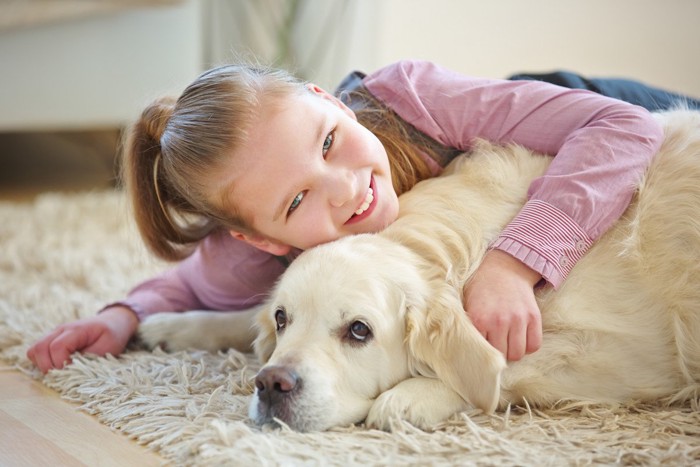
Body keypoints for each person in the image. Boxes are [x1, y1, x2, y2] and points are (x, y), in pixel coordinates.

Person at [28, 59, 699, 374]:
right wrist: (121, 315)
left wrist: (513, 262)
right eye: (297, 202)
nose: (346, 188)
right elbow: (193, 287)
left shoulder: (414, 97)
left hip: (579, 107)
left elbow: (621, 126)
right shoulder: (249, 252)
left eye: (328, 142)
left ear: (331, 100)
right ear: (261, 236)